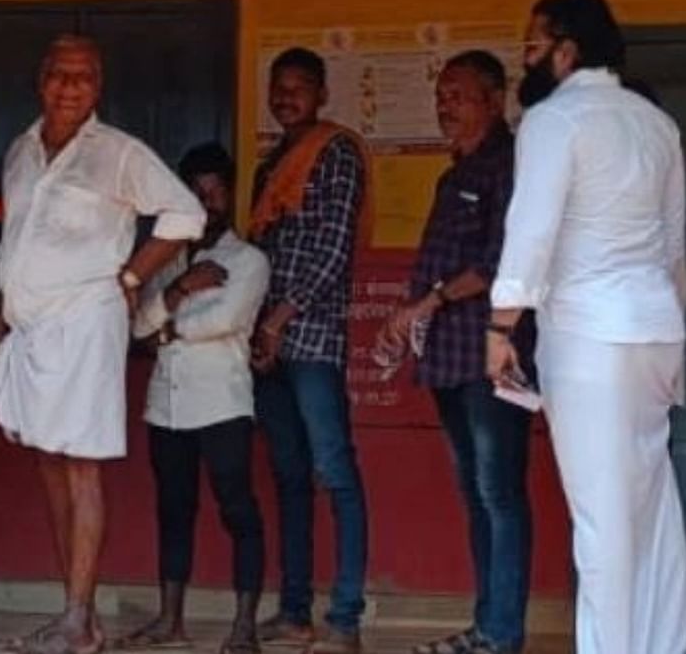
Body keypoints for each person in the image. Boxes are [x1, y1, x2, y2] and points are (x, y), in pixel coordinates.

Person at [486, 0, 686, 654]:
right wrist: (672, 329)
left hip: (589, 337)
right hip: (655, 331)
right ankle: (668, 641)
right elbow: (673, 248)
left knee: (601, 517)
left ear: (565, 50)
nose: (525, 56)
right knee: (651, 501)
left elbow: (531, 232)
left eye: (531, 43)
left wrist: (500, 328)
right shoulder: (656, 124)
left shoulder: (554, 121)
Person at [0, 34, 205, 654]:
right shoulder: (20, 151)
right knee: (48, 462)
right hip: (30, 330)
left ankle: (79, 617)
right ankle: (75, 616)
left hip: (85, 322)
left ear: (98, 86)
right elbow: (14, 246)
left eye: (82, 78)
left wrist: (133, 276)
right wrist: (0, 330)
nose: (69, 87)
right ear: (41, 78)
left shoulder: (118, 153)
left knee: (79, 465)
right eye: (59, 74)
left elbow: (184, 214)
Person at [379, 51, 534, 654]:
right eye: (441, 94)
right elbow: (435, 272)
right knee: (475, 493)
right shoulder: (452, 176)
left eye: (458, 94)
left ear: (494, 100)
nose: (446, 105)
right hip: (446, 357)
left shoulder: (509, 165)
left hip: (493, 353)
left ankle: (502, 634)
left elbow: (501, 263)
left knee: (500, 493)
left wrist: (430, 301)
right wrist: (405, 318)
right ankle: (486, 626)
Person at [121, 142, 269, 654]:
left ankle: (244, 625)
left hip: (221, 404)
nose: (206, 203)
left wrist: (166, 324)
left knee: (237, 509)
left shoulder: (248, 259)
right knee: (173, 509)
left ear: (229, 196)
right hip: (166, 406)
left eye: (214, 192)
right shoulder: (168, 261)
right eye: (195, 193)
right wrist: (181, 286)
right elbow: (138, 324)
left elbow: (223, 322)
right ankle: (170, 620)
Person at [250, 47, 370, 654]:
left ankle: (345, 617)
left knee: (335, 472)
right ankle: (294, 611)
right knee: (289, 477)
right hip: (268, 344)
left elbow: (334, 250)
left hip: (311, 337)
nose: (285, 98)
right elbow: (256, 256)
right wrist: (257, 327)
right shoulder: (270, 164)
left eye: (298, 88)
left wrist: (278, 318)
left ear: (321, 94)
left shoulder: (335, 152)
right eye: (278, 88)